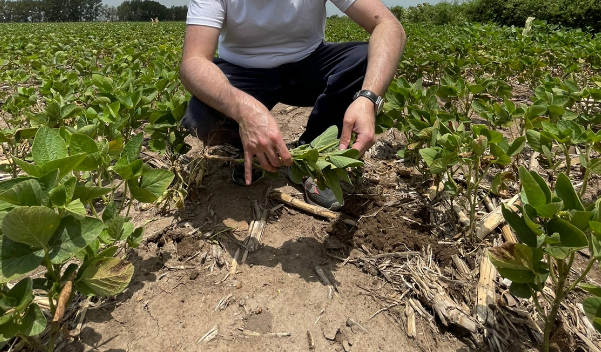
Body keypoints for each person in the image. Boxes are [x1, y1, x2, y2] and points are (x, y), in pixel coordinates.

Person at [180, 0, 406, 210]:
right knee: (202, 115)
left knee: (366, 59)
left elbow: (387, 25)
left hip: (308, 65)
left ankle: (315, 156)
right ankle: (253, 151)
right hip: (242, 71)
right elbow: (194, 61)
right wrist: (244, 109)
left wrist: (368, 98)